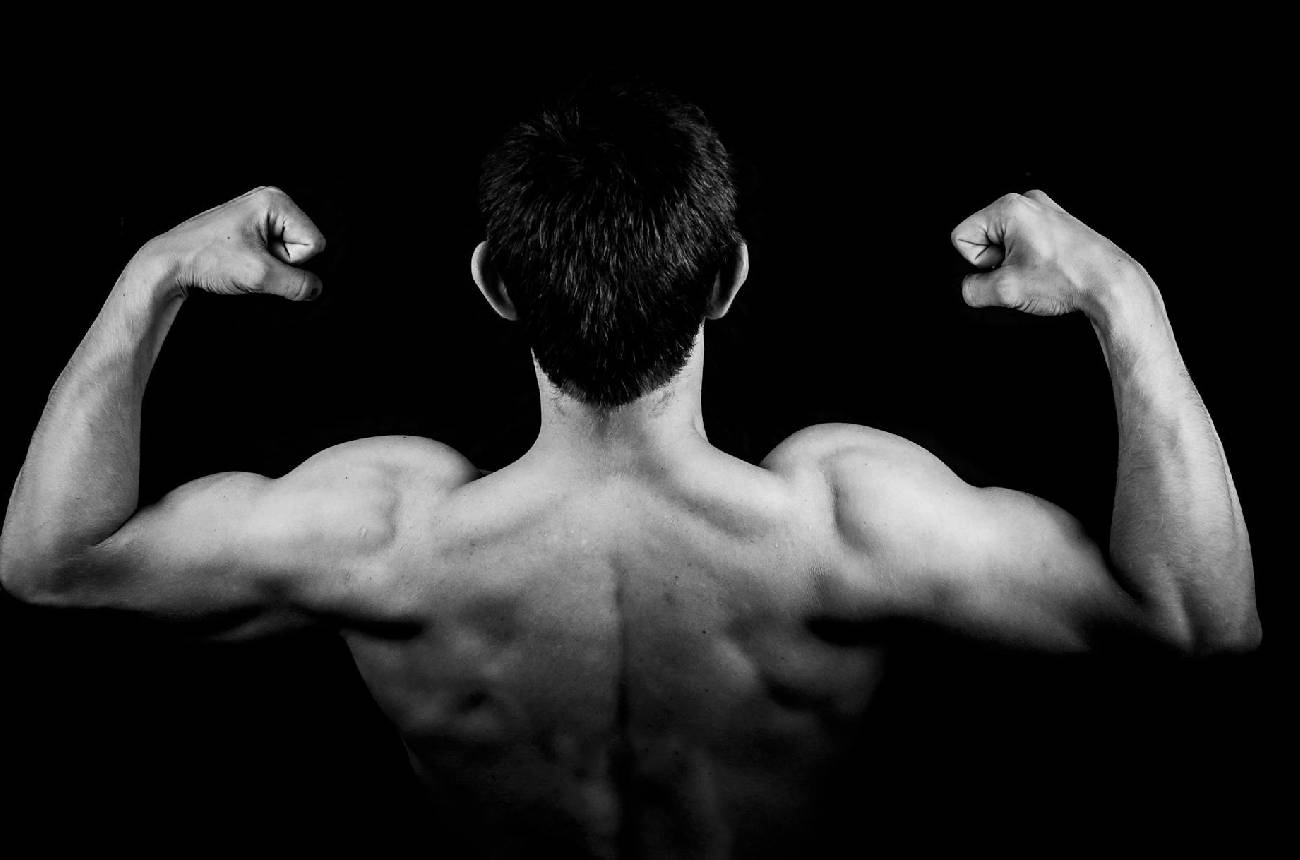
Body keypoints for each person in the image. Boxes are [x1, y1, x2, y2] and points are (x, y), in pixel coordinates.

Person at [0, 82, 1259, 858]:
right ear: (730, 280)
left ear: (494, 286)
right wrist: (1123, 299)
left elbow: (54, 560)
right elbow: (1199, 619)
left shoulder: (384, 532)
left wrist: (154, 273)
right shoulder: (846, 523)